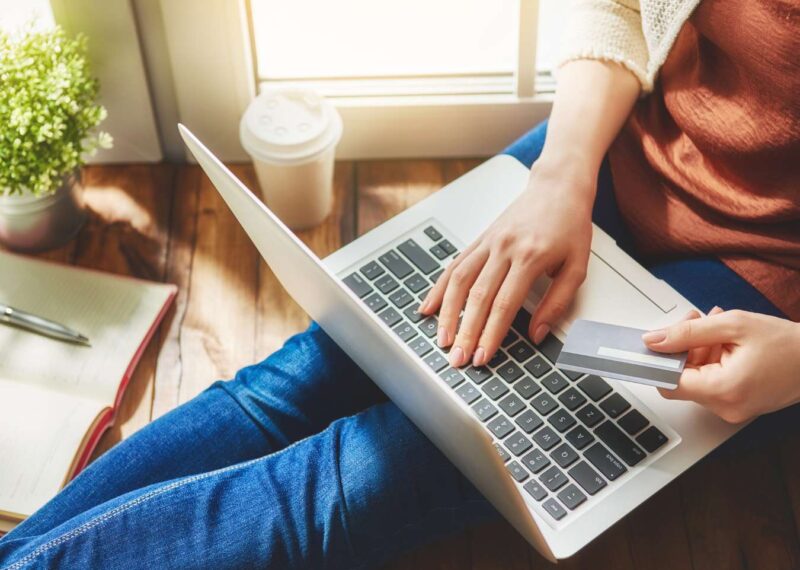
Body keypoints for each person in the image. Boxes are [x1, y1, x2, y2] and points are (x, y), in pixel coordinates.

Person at [1, 0, 797, 568]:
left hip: (764, 290)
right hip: (610, 150)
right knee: (299, 379)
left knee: (351, 480)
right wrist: (563, 173)